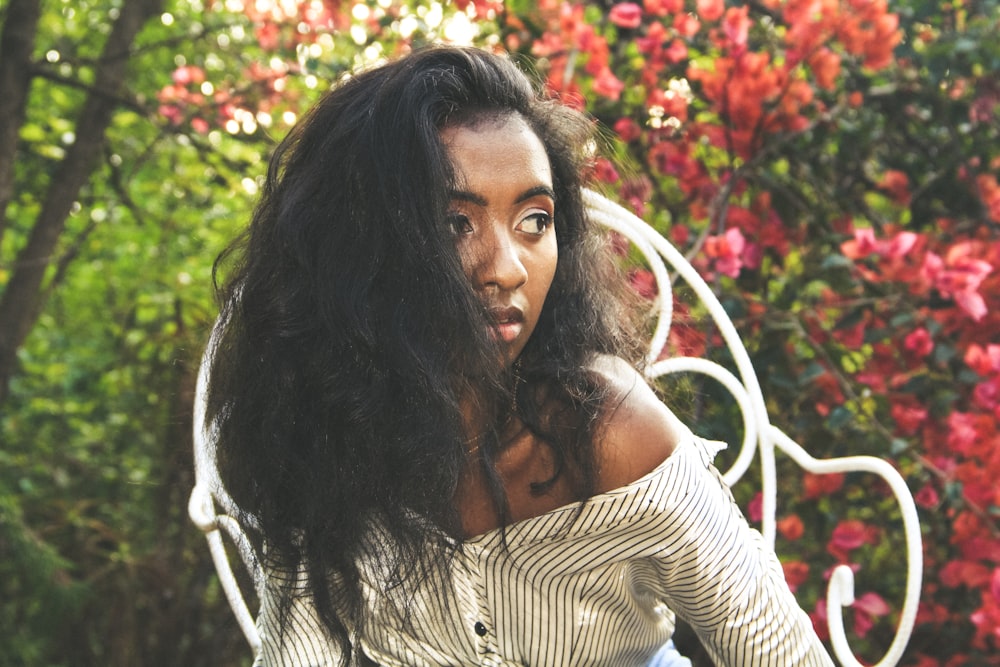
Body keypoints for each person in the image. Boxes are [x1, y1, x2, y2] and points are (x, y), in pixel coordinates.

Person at [205, 45, 834, 666]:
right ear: (362, 247)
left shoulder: (611, 433)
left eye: (535, 220)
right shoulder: (315, 440)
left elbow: (781, 654)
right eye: (456, 223)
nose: (507, 269)